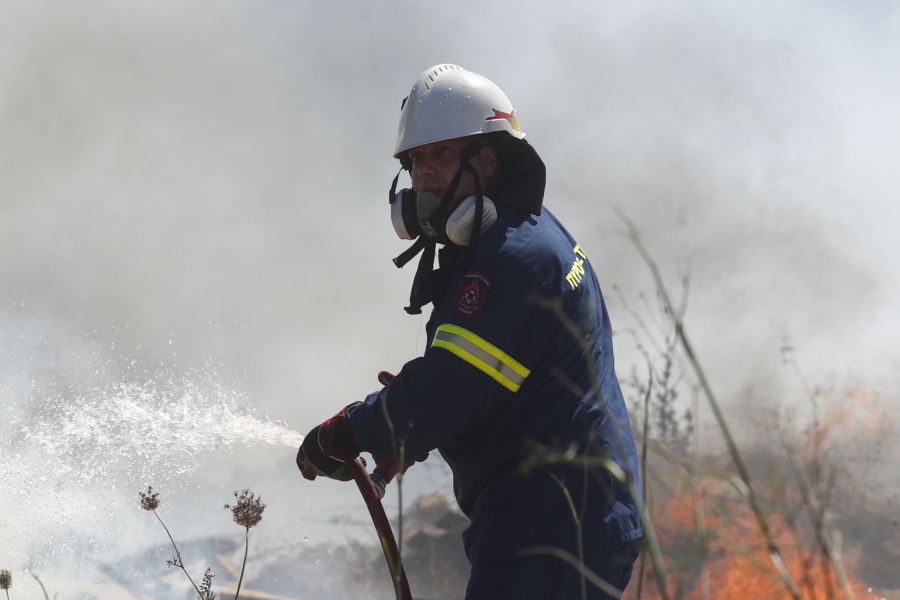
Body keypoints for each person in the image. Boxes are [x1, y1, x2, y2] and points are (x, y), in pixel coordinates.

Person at [297, 64, 643, 600]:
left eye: (440, 154)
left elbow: (451, 387)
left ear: (487, 159)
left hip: (551, 531)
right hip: (567, 520)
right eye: (415, 161)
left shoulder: (513, 260)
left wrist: (348, 431)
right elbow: (487, 385)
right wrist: (412, 434)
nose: (424, 175)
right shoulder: (517, 237)